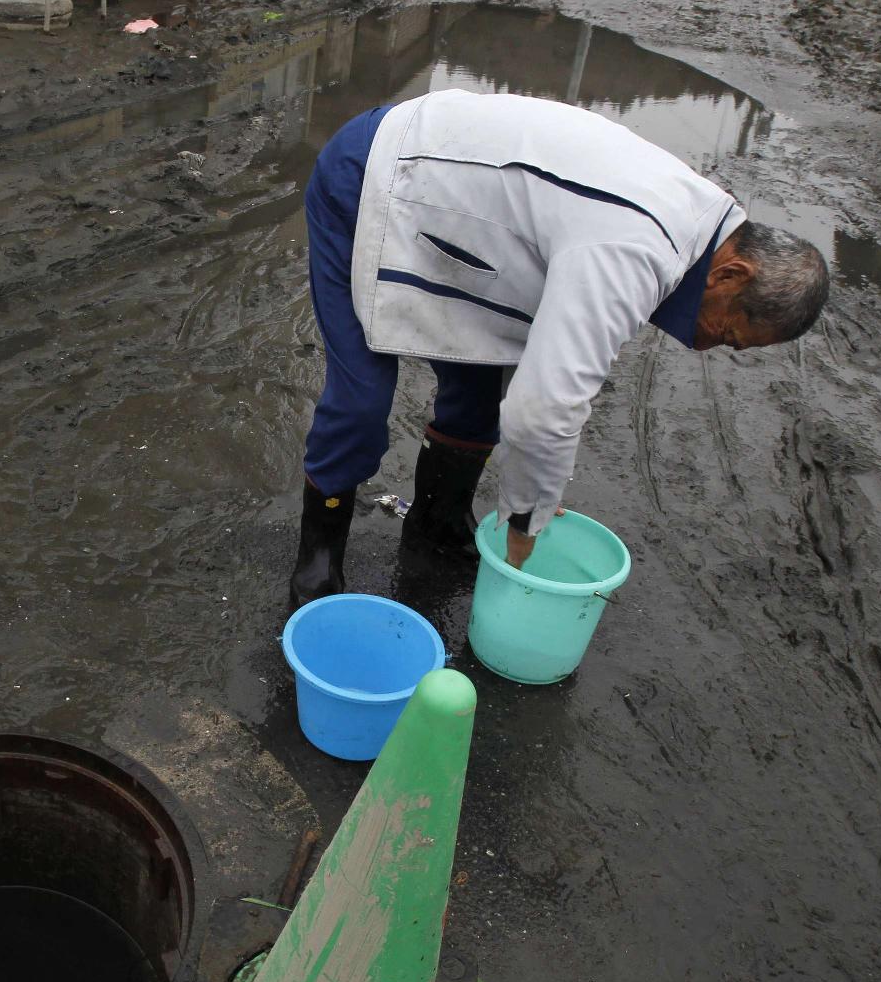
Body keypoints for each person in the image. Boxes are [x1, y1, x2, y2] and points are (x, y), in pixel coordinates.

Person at [290, 90, 831, 605]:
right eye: (727, 333)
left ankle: (436, 524)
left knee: (479, 397)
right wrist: (526, 524)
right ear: (731, 274)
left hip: (461, 208)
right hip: (374, 175)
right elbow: (545, 411)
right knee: (361, 401)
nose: (709, 345)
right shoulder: (636, 250)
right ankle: (317, 563)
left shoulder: (699, 227)